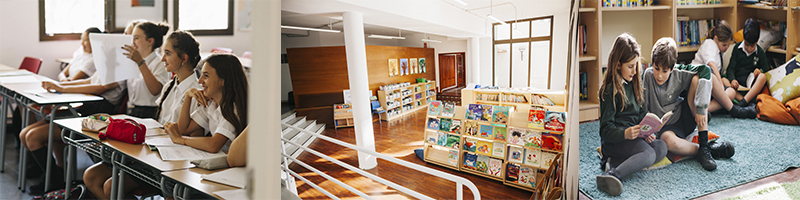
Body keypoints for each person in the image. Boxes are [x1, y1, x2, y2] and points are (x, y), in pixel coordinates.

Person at [83, 30, 200, 200]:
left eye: (168, 53)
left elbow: (192, 137)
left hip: (170, 161)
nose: (162, 59)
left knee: (111, 187)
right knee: (90, 176)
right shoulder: (170, 85)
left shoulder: (195, 93)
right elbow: (159, 122)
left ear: (184, 58)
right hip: (154, 150)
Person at [644, 37, 735, 172]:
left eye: (665, 71)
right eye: (656, 68)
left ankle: (704, 144)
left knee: (696, 80)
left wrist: (700, 108)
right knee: (667, 142)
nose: (660, 75)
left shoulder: (678, 71)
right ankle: (706, 150)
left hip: (684, 117)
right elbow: (643, 106)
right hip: (665, 128)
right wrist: (647, 131)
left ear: (672, 68)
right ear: (652, 64)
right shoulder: (647, 75)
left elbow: (705, 70)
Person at [595, 33, 668, 196]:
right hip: (617, 140)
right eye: (630, 66)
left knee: (662, 147)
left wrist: (648, 132)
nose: (635, 70)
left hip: (634, 137)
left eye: (636, 65)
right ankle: (612, 175)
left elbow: (642, 115)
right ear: (618, 65)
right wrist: (625, 133)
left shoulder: (635, 83)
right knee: (648, 154)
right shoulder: (609, 91)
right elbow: (605, 130)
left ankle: (615, 163)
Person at [162, 53, 249, 154]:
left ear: (223, 81)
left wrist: (180, 139)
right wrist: (187, 97)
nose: (200, 81)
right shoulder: (212, 103)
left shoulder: (233, 108)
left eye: (206, 76)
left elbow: (214, 145)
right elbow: (184, 128)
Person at [690, 20, 757, 118]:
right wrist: (721, 86)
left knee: (731, 92)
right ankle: (735, 111)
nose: (726, 47)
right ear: (716, 39)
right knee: (712, 76)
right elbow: (711, 64)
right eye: (724, 45)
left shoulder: (721, 52)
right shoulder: (709, 44)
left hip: (708, 87)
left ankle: (704, 110)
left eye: (728, 44)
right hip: (698, 82)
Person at [121, 21, 171, 118]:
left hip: (150, 112)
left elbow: (155, 90)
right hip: (132, 110)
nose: (132, 42)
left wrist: (140, 62)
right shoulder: (133, 61)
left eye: (136, 38)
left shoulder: (159, 63)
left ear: (150, 41)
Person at [727, 18, 771, 107]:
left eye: (752, 46)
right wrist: (732, 80)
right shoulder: (737, 49)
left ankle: (744, 102)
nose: (749, 49)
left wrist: (760, 71)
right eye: (746, 44)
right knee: (723, 80)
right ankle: (744, 102)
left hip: (751, 89)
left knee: (762, 77)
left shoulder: (760, 52)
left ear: (757, 40)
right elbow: (730, 69)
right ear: (743, 38)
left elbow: (767, 71)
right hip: (737, 87)